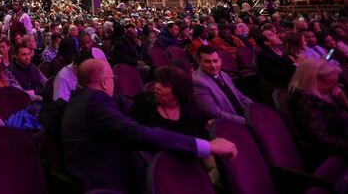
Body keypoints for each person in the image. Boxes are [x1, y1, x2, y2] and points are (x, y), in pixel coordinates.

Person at [61, 59, 237, 193]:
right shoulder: (96, 101)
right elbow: (137, 133)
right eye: (112, 77)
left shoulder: (80, 99)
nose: (114, 81)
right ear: (104, 82)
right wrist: (207, 146)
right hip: (106, 180)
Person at [288, 58, 348, 157]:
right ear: (313, 79)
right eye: (332, 82)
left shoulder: (322, 95)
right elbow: (323, 139)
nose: (335, 86)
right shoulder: (305, 102)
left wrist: (343, 100)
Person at [130, 66, 208, 137]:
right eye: (157, 81)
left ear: (178, 90)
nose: (157, 86)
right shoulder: (143, 104)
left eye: (164, 85)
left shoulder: (190, 108)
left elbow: (202, 137)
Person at [193, 46, 252, 125]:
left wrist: (254, 109)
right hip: (229, 124)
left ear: (220, 61)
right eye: (207, 62)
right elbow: (216, 114)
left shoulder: (223, 74)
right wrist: (247, 121)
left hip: (242, 114)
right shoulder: (198, 82)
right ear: (199, 62)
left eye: (215, 61)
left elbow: (239, 96)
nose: (213, 65)